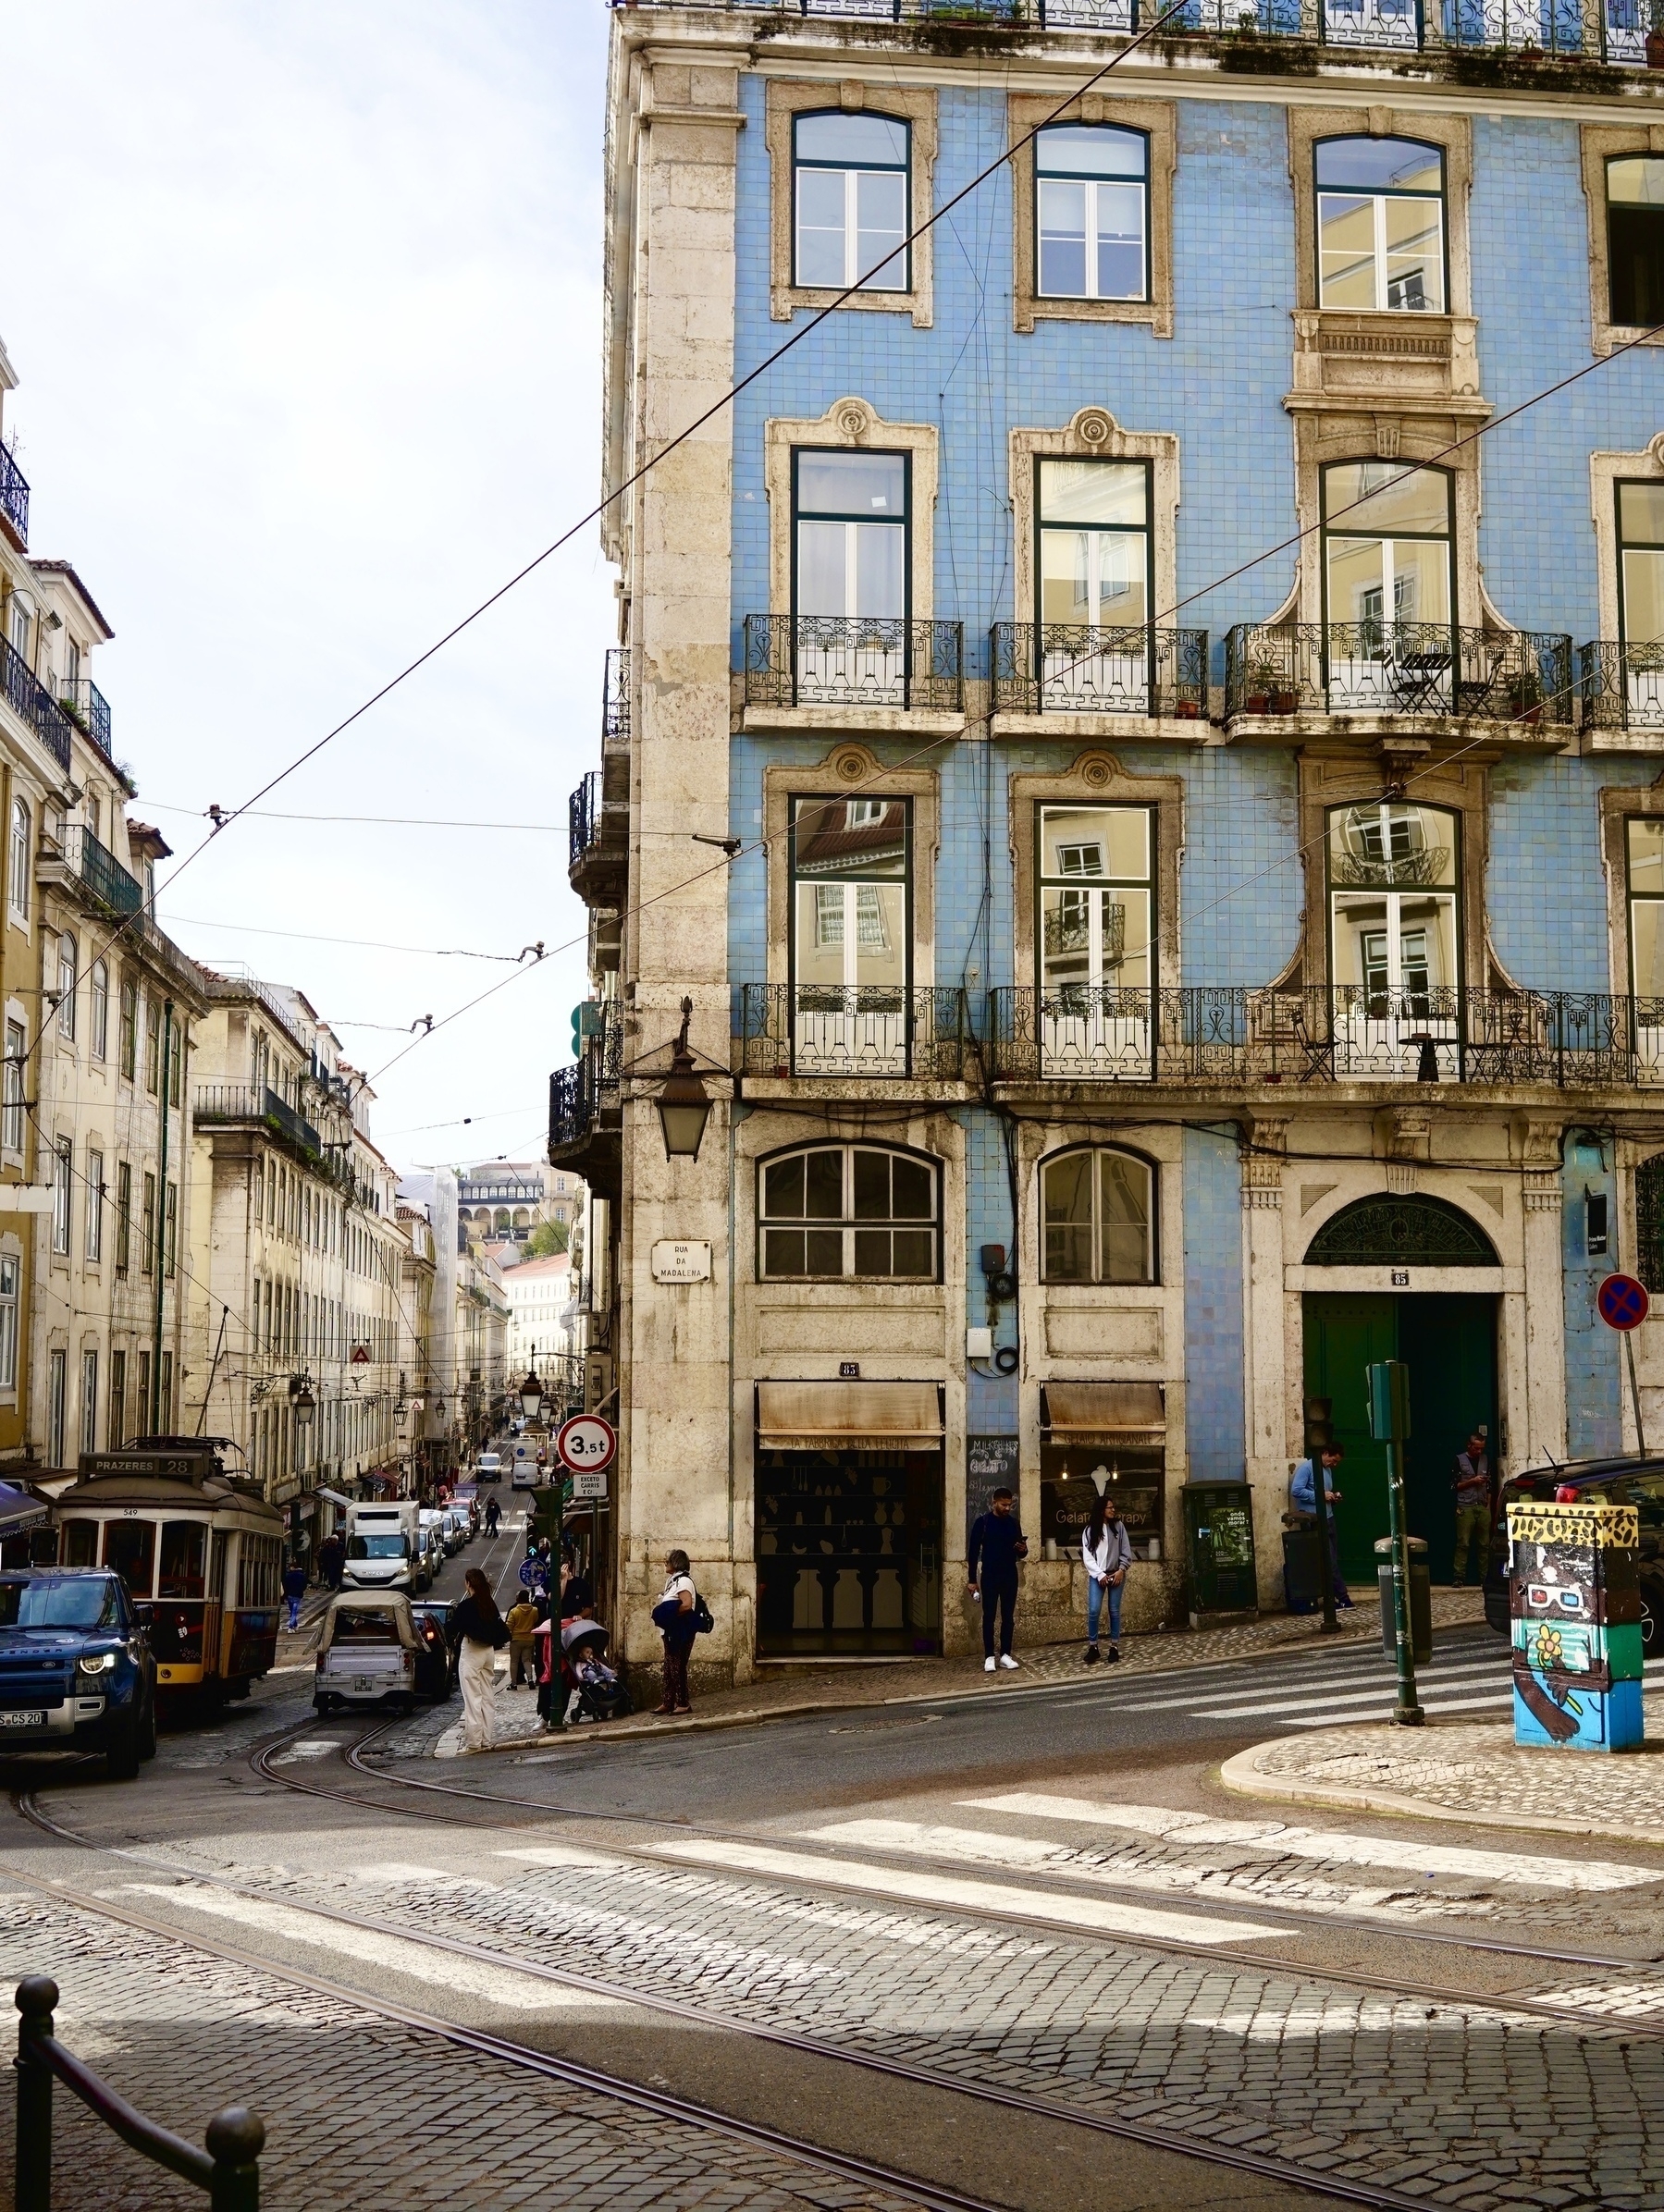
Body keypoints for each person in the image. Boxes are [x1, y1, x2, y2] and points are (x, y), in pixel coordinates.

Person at [448, 1566, 510, 1751]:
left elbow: (452, 1628)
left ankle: (473, 1742)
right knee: (487, 1696)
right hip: (488, 1653)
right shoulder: (489, 1603)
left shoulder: (466, 1606)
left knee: (472, 1697)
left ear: (468, 1584)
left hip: (472, 1651)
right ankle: (486, 1739)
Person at [968, 1486, 1029, 1672]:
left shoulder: (1013, 1523)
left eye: (1010, 1505)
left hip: (1010, 1574)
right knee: (989, 1616)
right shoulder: (983, 1523)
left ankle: (1006, 1655)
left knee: (1008, 1617)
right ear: (994, 1502)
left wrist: (1022, 1549)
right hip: (990, 1575)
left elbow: (1023, 1553)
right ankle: (988, 1656)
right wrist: (972, 1580)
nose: (1007, 1508)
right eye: (1003, 1504)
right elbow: (972, 1553)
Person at [1290, 1444, 1352, 1609]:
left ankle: (1331, 1599)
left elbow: (1324, 1492)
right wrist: (1319, 1495)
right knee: (1328, 1561)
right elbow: (1296, 1490)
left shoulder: (1327, 1469)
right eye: (1333, 1460)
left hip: (1328, 1518)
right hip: (1314, 1519)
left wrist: (1332, 1497)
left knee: (1330, 1560)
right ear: (1325, 1453)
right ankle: (1343, 1598)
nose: (1335, 1464)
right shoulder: (1307, 1468)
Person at [1081, 1491, 1132, 1665]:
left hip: (1116, 1573)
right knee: (1094, 1610)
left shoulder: (1119, 1527)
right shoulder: (1089, 1530)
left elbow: (1126, 1550)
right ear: (1101, 1510)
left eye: (1113, 1507)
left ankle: (1114, 1647)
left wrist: (1121, 1570)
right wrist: (1099, 1574)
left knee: (1114, 1611)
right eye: (1110, 1507)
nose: (1113, 1510)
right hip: (1098, 1575)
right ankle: (1093, 1646)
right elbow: (1087, 1557)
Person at [651, 1548, 698, 1715]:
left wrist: (668, 1615)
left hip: (680, 1630)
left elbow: (686, 1604)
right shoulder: (674, 1580)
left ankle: (683, 1703)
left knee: (677, 1667)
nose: (665, 1563)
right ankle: (668, 1701)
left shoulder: (684, 1581)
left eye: (668, 1560)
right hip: (671, 1630)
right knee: (669, 1667)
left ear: (676, 1563)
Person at [1451, 1429, 1493, 1587]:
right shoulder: (1459, 1460)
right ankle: (1459, 1577)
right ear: (1469, 1445)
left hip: (1482, 1506)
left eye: (1481, 1448)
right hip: (1465, 1506)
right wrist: (1472, 1481)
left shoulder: (1485, 1460)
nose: (1479, 1451)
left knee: (1484, 1544)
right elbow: (1454, 1485)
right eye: (1476, 1447)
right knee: (1463, 1543)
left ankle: (1485, 1577)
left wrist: (1488, 1505)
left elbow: (1490, 1485)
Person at [505, 1591, 539, 1688]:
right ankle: (530, 1679)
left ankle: (514, 1683)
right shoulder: (534, 1610)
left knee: (514, 1661)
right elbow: (536, 1620)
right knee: (527, 1660)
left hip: (516, 1639)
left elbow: (509, 1625)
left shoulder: (514, 1611)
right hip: (529, 1638)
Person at [282, 1558, 308, 1632]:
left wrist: (286, 1594)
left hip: (290, 1595)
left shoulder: (288, 1576)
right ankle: (293, 1626)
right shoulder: (302, 1576)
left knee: (292, 1612)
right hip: (297, 1595)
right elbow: (304, 1585)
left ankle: (292, 1626)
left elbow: (285, 1585)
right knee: (294, 1612)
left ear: (292, 1567)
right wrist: (301, 1590)